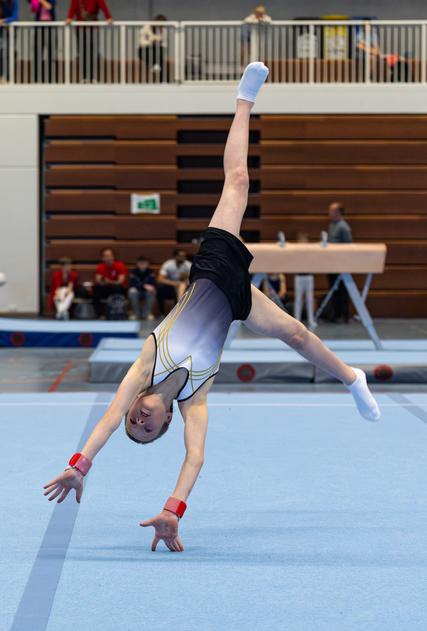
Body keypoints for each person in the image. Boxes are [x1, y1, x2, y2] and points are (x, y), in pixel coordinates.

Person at [43, 63, 380, 554]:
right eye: (148, 428)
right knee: (298, 335)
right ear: (164, 425)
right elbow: (195, 457)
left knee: (237, 182)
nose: (139, 419)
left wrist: (79, 465)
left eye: (135, 421)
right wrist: (173, 508)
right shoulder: (194, 401)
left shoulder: (143, 370)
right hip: (239, 301)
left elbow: (106, 420)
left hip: (210, 273)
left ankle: (244, 98)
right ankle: (352, 377)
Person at [66, 0, 113, 82]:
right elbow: (72, 8)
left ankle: (92, 77)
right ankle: (84, 77)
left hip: (93, 28)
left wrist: (108, 17)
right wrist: (69, 17)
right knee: (82, 52)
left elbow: (103, 6)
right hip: (80, 28)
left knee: (92, 52)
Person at [327, 202, 352, 323]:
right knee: (333, 289)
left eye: (331, 211)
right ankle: (335, 314)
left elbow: (348, 246)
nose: (329, 213)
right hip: (332, 263)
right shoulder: (332, 225)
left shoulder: (343, 227)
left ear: (337, 213)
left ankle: (344, 315)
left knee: (342, 289)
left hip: (341, 263)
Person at [93, 248, 127, 318]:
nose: (108, 258)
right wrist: (103, 282)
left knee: (117, 288)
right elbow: (98, 280)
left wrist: (109, 281)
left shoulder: (120, 265)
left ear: (113, 257)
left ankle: (117, 312)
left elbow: (120, 281)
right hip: (106, 288)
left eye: (109, 256)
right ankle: (100, 314)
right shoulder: (100, 267)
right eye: (105, 256)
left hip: (117, 288)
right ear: (102, 258)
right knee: (96, 288)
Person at [157, 249, 192, 316]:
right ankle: (162, 313)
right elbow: (160, 279)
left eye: (184, 256)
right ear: (175, 256)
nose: (182, 258)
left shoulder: (188, 265)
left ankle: (180, 308)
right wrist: (174, 283)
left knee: (183, 285)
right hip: (170, 286)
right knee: (160, 288)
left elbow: (193, 279)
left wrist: (184, 283)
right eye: (180, 256)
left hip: (185, 286)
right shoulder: (168, 264)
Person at [29, 0, 56, 83]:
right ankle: (37, 79)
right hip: (39, 27)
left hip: (50, 27)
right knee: (37, 53)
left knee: (51, 54)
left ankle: (50, 79)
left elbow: (50, 7)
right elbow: (33, 9)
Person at [294, 232, 317, 330]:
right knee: (298, 299)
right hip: (299, 277)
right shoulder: (295, 253)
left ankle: (310, 320)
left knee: (309, 299)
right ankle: (297, 320)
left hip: (309, 277)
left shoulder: (310, 252)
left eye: (304, 242)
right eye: (301, 242)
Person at [138, 14, 167, 83]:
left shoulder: (164, 30)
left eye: (162, 24)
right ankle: (154, 65)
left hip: (157, 50)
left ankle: (163, 81)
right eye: (159, 24)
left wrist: (159, 42)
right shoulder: (147, 27)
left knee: (160, 61)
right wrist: (151, 42)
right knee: (155, 57)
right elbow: (141, 40)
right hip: (145, 49)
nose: (161, 26)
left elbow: (164, 44)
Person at [128, 256, 157, 321]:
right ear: (137, 264)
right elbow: (132, 284)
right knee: (132, 291)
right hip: (137, 291)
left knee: (153, 291)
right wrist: (144, 286)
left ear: (148, 264)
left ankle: (147, 313)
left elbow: (153, 284)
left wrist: (150, 287)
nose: (142, 264)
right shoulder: (134, 272)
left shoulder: (151, 272)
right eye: (140, 263)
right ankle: (136, 313)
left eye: (144, 263)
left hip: (147, 292)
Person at [0, 0, 19, 83]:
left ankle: (8, 78)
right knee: (1, 53)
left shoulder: (15, 2)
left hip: (11, 32)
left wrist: (4, 21)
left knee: (10, 53)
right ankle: (1, 77)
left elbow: (15, 17)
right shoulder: (2, 3)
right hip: (2, 32)